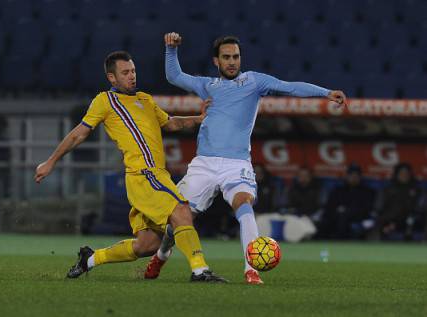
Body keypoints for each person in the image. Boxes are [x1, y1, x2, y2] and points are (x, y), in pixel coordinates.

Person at [145, 33, 347, 284]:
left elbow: (289, 86)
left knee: (244, 205)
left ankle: (251, 270)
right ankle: (161, 256)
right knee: (180, 218)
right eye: (226, 57)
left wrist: (325, 92)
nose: (232, 62)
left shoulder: (253, 81)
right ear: (216, 61)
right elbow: (174, 76)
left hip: (236, 164)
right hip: (204, 163)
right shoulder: (207, 85)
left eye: (236, 57)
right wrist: (171, 49)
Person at [34, 51, 226, 283]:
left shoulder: (145, 99)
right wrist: (51, 161)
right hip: (144, 174)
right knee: (182, 211)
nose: (132, 76)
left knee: (146, 245)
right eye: (125, 73)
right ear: (112, 78)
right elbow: (79, 134)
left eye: (133, 71)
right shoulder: (105, 101)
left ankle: (91, 259)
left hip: (154, 176)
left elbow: (171, 123)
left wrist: (199, 118)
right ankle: (200, 270)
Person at [322, 163, 376, 239]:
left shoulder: (367, 192)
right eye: (351, 175)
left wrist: (348, 211)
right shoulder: (338, 191)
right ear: (346, 176)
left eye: (356, 175)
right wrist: (339, 211)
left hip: (358, 218)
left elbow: (367, 209)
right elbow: (329, 208)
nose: (354, 177)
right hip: (337, 218)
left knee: (345, 217)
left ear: (360, 177)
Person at [378, 162, 423, 240]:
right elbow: (380, 209)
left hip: (412, 223)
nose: (404, 175)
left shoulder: (417, 190)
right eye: (401, 173)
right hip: (390, 223)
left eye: (406, 173)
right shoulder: (388, 190)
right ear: (396, 174)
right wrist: (388, 224)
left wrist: (413, 218)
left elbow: (419, 208)